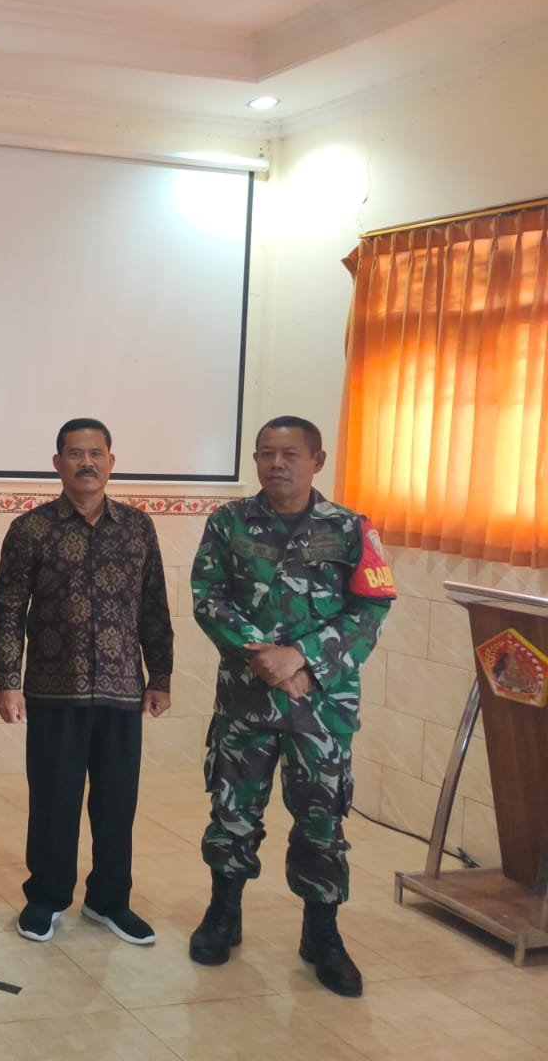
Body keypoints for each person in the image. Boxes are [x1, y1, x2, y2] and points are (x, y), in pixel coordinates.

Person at [188, 415, 396, 997]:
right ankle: (223, 913)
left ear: (317, 460)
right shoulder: (228, 521)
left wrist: (302, 659)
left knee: (321, 819)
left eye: (290, 454)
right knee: (233, 810)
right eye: (265, 454)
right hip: (247, 698)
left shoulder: (350, 528)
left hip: (321, 703)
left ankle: (321, 933)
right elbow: (208, 598)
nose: (276, 464)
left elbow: (372, 607)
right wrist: (264, 657)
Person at [0, 419, 173, 947]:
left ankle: (109, 900)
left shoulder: (137, 528)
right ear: (58, 463)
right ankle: (46, 898)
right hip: (54, 690)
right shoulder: (31, 529)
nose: (86, 462)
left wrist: (160, 675)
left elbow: (154, 606)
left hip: (122, 690)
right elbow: (9, 610)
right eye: (75, 453)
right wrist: (8, 680)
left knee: (117, 802)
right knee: (54, 800)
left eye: (96, 453)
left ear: (111, 461)